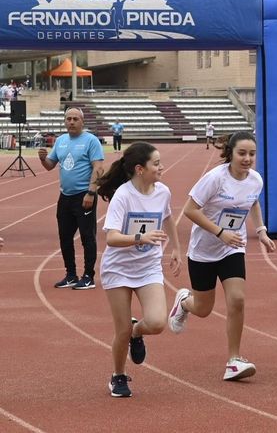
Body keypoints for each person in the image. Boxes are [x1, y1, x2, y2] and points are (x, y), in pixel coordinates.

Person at [167, 131, 277, 381]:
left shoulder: (255, 180)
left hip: (232, 248)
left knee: (237, 300)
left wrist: (261, 231)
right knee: (203, 309)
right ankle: (184, 301)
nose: (247, 159)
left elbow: (254, 203)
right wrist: (219, 232)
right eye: (242, 153)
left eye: (251, 154)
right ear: (231, 153)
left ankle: (234, 360)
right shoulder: (215, 179)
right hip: (204, 250)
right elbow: (190, 210)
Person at [95, 142, 182, 397]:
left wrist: (176, 248)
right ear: (139, 169)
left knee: (156, 323)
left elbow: (168, 217)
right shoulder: (123, 195)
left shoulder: (163, 191)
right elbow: (111, 238)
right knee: (119, 330)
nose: (161, 167)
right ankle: (118, 376)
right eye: (156, 163)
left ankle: (137, 331)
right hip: (118, 269)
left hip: (148, 267)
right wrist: (140, 238)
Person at [38, 107, 105, 290]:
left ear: (82, 122)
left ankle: (88, 276)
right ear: (64, 121)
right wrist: (43, 159)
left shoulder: (91, 141)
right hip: (65, 197)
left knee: (87, 237)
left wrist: (91, 192)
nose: (72, 122)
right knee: (65, 237)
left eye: (75, 119)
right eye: (68, 119)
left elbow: (98, 167)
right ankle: (70, 274)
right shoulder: (60, 141)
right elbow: (50, 166)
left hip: (84, 195)